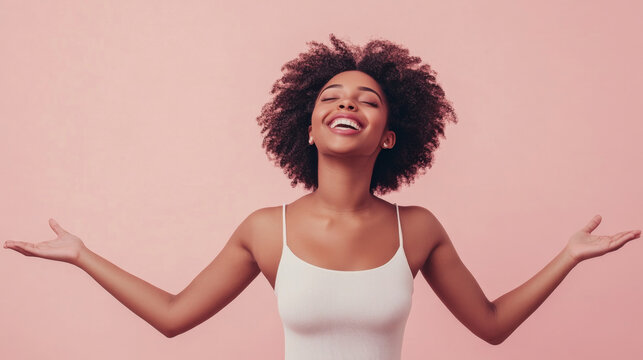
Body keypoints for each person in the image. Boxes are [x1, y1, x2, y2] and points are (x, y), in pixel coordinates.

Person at [4, 34, 640, 360]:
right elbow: (173, 317)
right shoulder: (264, 229)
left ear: (391, 135)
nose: (346, 104)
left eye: (367, 99)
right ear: (306, 126)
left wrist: (569, 256)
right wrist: (82, 255)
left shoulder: (416, 228)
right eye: (331, 96)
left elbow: (493, 327)